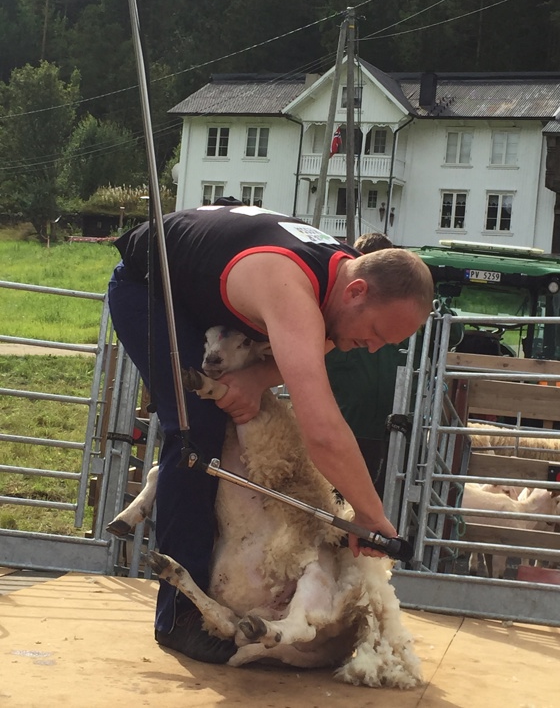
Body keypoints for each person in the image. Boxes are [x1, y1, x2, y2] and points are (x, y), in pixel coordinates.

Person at [107, 202, 433, 664]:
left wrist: (257, 378)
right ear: (358, 290)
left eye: (387, 344)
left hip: (205, 291)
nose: (374, 348)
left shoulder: (340, 284)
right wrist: (370, 515)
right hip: (149, 288)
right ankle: (179, 617)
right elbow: (322, 430)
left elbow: (317, 343)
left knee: (231, 407)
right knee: (197, 428)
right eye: (377, 332)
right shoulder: (292, 289)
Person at [325, 231, 405, 497]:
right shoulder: (339, 306)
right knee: (338, 497)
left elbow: (448, 329)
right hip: (345, 427)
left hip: (386, 429)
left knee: (381, 498)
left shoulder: (396, 308)